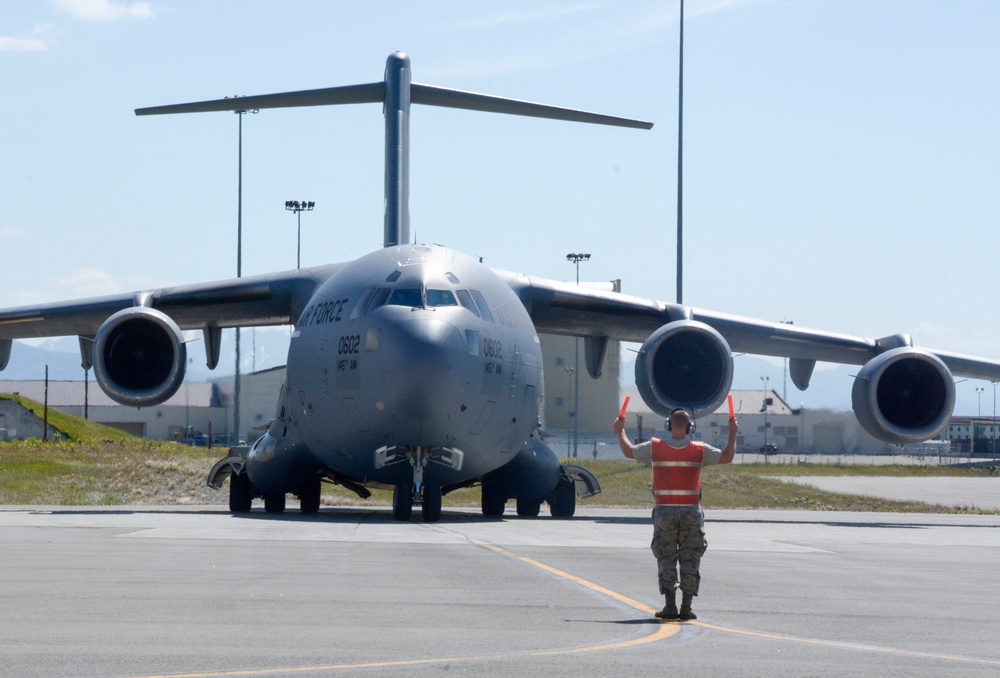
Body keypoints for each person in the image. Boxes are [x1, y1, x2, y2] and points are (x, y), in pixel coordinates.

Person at [613, 406, 738, 621]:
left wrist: (619, 431)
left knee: (666, 557)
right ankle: (687, 607)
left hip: (664, 512)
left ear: (668, 426)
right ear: (690, 427)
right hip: (691, 511)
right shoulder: (700, 450)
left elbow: (628, 451)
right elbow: (727, 457)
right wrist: (733, 433)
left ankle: (670, 605)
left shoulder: (654, 448)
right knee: (690, 557)